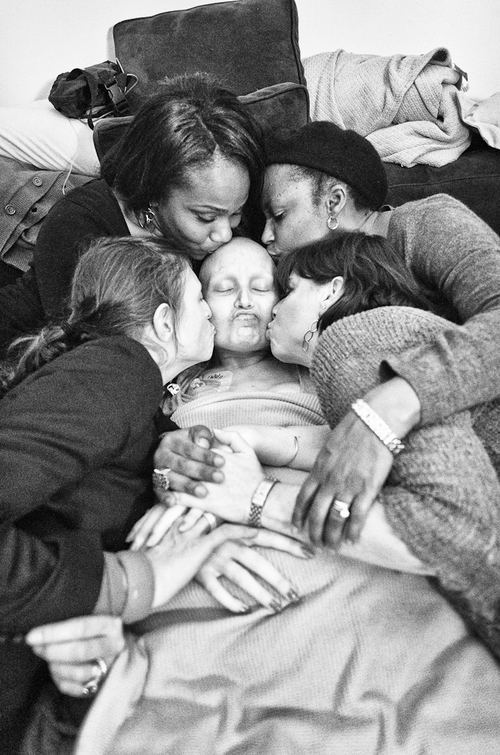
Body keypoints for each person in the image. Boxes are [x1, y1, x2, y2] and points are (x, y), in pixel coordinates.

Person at [44, 232, 500, 755]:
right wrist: (167, 472)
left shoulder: (328, 361)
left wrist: (257, 483)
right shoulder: (158, 384)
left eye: (263, 288)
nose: (245, 301)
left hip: (332, 539)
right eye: (223, 288)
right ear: (195, 310)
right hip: (199, 550)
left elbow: (394, 467)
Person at [0, 235, 295, 755]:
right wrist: (127, 583)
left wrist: (165, 457)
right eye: (202, 299)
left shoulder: (138, 399)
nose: (212, 312)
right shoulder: (122, 366)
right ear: (164, 323)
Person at [157, 118, 500, 551]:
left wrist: (393, 404)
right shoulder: (309, 329)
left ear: (334, 203)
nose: (266, 236)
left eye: (279, 215)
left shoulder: (425, 224)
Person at [0, 72, 265, 352]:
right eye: (205, 217)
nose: (225, 234)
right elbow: (94, 353)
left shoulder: (231, 213)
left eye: (235, 212)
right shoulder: (79, 226)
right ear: (152, 192)